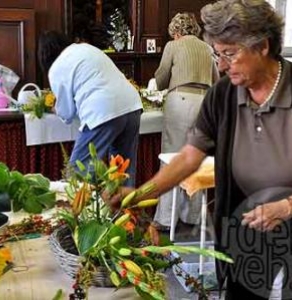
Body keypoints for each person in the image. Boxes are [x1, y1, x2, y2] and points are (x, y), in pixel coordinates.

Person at [110, 0, 292, 299]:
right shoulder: (222, 94)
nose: (220, 65)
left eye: (230, 54)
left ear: (262, 46)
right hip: (246, 222)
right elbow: (188, 157)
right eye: (217, 55)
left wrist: (285, 207)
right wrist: (137, 196)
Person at [38, 31, 143, 186]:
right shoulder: (86, 48)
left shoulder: (56, 68)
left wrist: (56, 109)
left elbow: (66, 113)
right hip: (132, 104)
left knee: (77, 174)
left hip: (103, 110)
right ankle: (123, 210)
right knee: (122, 173)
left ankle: (80, 209)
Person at [152, 12, 219, 232]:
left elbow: (161, 79)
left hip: (180, 100)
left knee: (172, 157)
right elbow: (217, 81)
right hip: (205, 103)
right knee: (196, 158)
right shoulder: (207, 48)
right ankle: (192, 216)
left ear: (177, 32)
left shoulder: (174, 45)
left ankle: (165, 218)